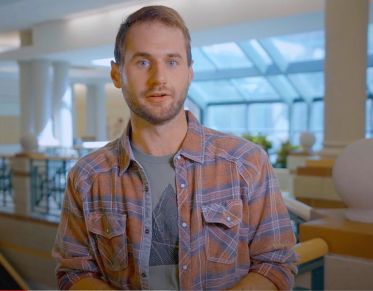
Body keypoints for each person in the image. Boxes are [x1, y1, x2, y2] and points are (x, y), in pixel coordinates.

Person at [52, 5, 297, 290]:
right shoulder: (87, 176)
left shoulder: (246, 163)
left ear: (190, 72)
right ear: (117, 74)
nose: (159, 78)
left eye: (172, 61)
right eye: (143, 62)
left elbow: (276, 263)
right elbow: (73, 272)